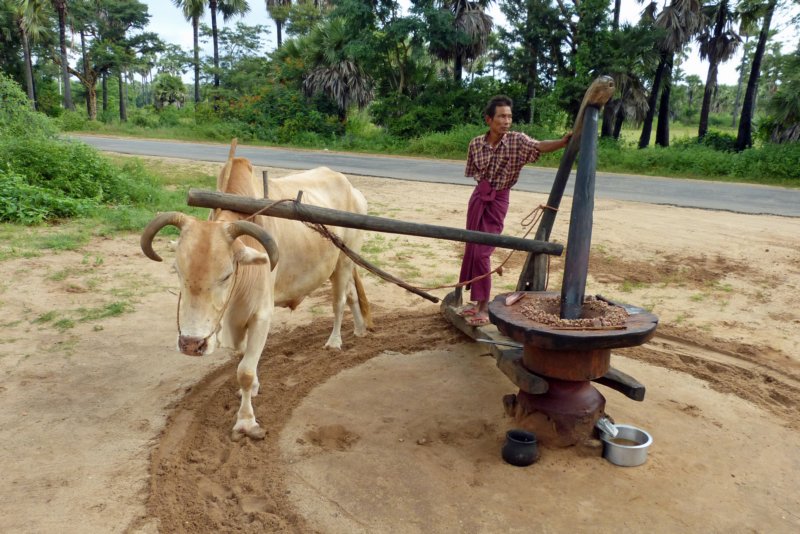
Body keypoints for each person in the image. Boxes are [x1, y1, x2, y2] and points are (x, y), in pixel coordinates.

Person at [458, 95, 571, 326]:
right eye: (501, 116)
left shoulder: (517, 142)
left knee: (482, 253)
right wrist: (484, 187)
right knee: (471, 248)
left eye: (509, 116)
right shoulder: (475, 144)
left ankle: (484, 307)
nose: (506, 121)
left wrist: (562, 142)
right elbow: (473, 172)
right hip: (478, 198)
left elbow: (539, 146)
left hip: (498, 201)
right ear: (489, 119)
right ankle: (475, 300)